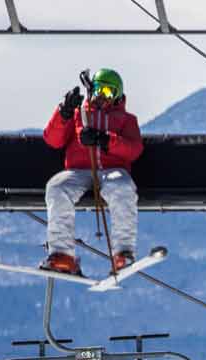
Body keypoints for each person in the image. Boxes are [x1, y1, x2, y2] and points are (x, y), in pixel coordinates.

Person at [40, 68, 143, 275]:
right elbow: (53, 139)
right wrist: (64, 113)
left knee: (122, 188)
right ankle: (62, 254)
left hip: (112, 170)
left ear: (117, 96)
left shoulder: (126, 120)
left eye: (108, 93)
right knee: (57, 187)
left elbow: (134, 149)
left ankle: (124, 252)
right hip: (79, 171)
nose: (102, 97)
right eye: (99, 91)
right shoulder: (79, 115)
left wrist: (106, 140)